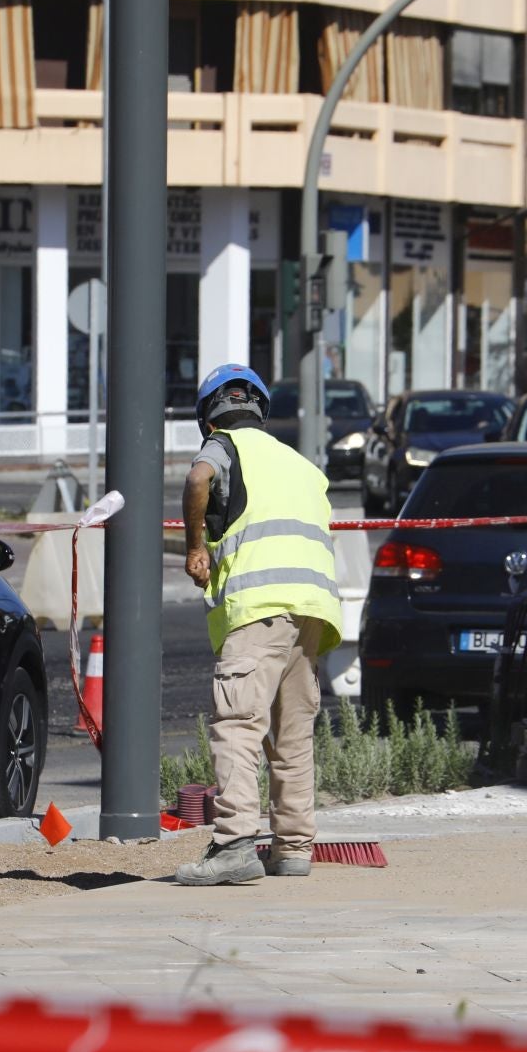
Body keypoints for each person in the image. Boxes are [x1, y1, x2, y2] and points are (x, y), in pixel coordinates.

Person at [174, 364, 342, 886]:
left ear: (208, 419)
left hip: (259, 607)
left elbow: (198, 479)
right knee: (291, 734)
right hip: (312, 611)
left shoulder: (224, 446)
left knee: (239, 725)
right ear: (262, 411)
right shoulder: (301, 464)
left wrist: (196, 545)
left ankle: (234, 845)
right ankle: (292, 849)